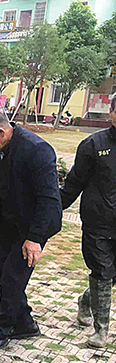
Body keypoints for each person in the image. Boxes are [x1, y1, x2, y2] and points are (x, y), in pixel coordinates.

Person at [0, 109, 62, 352]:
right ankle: (25, 323)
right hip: (9, 220)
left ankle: (0, 329)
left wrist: (35, 238)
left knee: (12, 275)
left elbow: (49, 199)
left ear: (1, 131)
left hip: (35, 223)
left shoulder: (37, 150)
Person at [60, 94, 116, 348]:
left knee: (111, 275)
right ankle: (101, 331)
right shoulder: (93, 145)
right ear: (111, 112)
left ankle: (86, 300)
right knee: (102, 273)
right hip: (98, 223)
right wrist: (52, 209)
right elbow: (74, 183)